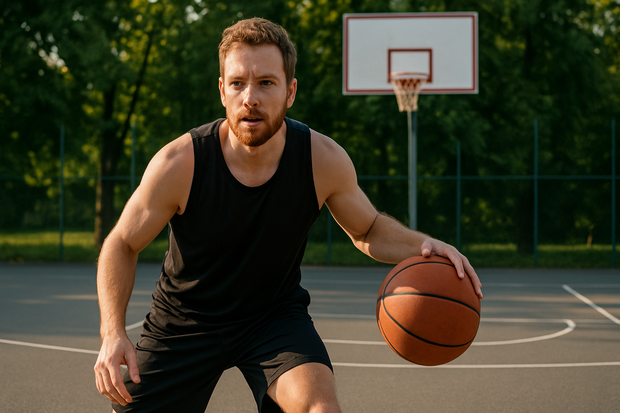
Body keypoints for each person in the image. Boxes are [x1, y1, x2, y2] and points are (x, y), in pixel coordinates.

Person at [94, 17, 483, 413]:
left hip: (272, 318)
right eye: (238, 83)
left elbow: (367, 229)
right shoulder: (180, 163)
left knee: (319, 409)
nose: (250, 98)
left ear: (290, 91)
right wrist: (112, 334)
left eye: (266, 82)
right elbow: (122, 243)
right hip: (185, 320)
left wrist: (424, 245)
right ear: (222, 91)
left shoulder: (321, 159)